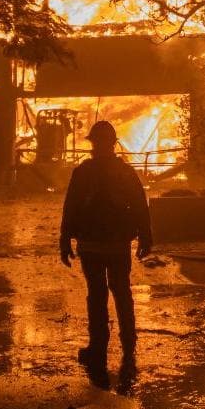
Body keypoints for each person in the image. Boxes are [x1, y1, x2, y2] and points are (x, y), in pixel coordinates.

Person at [59, 121, 154, 387]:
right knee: (121, 291)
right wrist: (146, 236)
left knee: (98, 294)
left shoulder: (83, 172)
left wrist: (64, 241)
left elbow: (71, 207)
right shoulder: (124, 172)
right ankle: (127, 343)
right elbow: (139, 206)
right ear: (113, 143)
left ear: (94, 143)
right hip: (115, 244)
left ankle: (97, 348)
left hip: (92, 245)